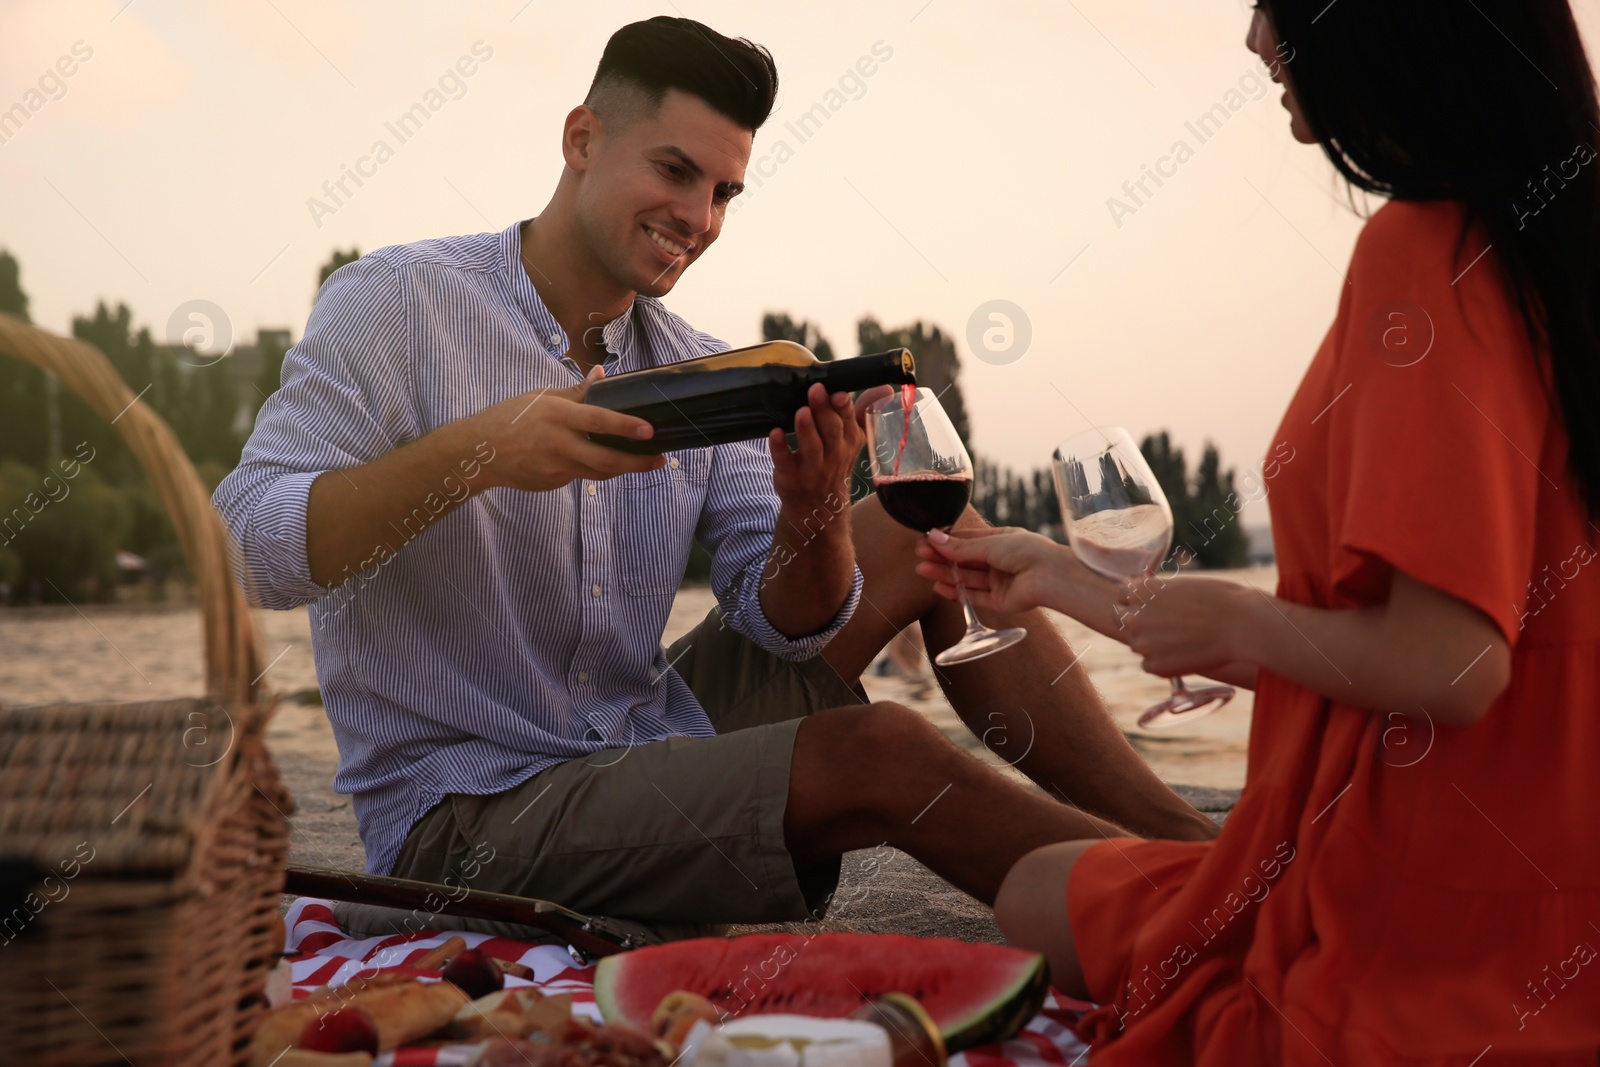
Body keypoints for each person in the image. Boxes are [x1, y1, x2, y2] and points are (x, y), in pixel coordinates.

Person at [216, 16, 1214, 935]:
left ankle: (1191, 844)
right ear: (580, 140)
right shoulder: (396, 302)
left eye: (724, 191)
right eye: (674, 170)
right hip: (466, 820)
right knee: (880, 746)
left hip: (643, 738)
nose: (696, 215)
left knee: (918, 533)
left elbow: (790, 623)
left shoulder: (702, 366)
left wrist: (814, 511)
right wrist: (481, 454)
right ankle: (1184, 917)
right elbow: (245, 548)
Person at [921, 0, 1600, 1059]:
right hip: (1558, 870)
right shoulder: (1552, 250)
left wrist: (1240, 613)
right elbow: (1402, 654)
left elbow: (1452, 663)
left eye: (1272, 6)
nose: (1252, 40)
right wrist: (1056, 574)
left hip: (1443, 899)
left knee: (1039, 903)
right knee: (1039, 890)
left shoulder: (1420, 253)